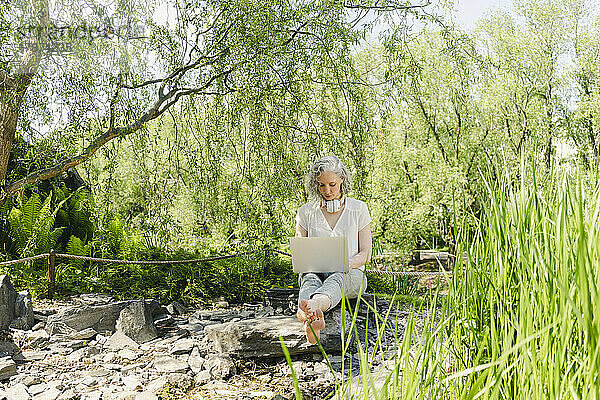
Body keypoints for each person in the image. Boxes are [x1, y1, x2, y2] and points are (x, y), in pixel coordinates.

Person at [295, 155, 372, 344]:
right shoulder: (306, 211)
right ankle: (312, 316)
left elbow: (366, 254)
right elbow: (300, 249)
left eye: (332, 184)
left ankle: (310, 308)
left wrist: (346, 263)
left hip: (351, 274)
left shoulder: (359, 209)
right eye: (321, 185)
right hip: (316, 272)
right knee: (309, 280)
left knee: (338, 277)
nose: (327, 191)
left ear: (342, 179)